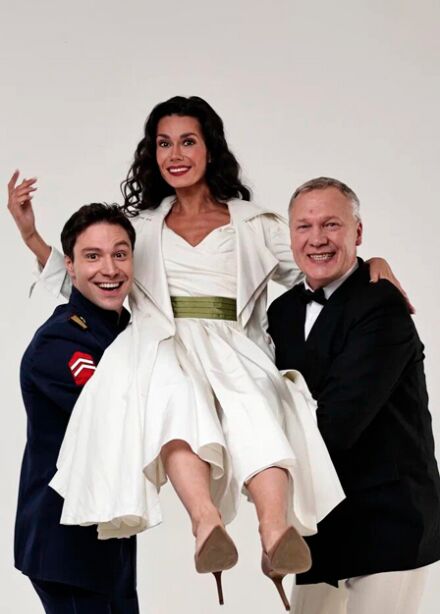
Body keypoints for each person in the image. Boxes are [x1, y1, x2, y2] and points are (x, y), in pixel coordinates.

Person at [8, 96, 400, 610]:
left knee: (260, 407)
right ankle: (206, 524)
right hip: (165, 347)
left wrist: (372, 262)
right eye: (163, 143)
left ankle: (275, 531)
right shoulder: (141, 226)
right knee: (175, 409)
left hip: (232, 347)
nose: (175, 154)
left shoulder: (253, 224)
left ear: (209, 148)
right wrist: (31, 237)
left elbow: (318, 259)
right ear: (152, 153)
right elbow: (93, 272)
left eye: (188, 141)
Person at [267, 177, 440, 614]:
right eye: (304, 227)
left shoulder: (382, 304)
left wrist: (268, 490)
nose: (317, 239)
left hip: (390, 520)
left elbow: (338, 424)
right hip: (322, 524)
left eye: (332, 224)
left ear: (357, 232)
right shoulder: (281, 312)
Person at [13, 203, 139, 613]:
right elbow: (120, 418)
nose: (109, 268)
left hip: (108, 538)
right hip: (65, 546)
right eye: (93, 256)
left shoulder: (121, 329)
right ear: (70, 265)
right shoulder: (60, 343)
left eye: (119, 254)